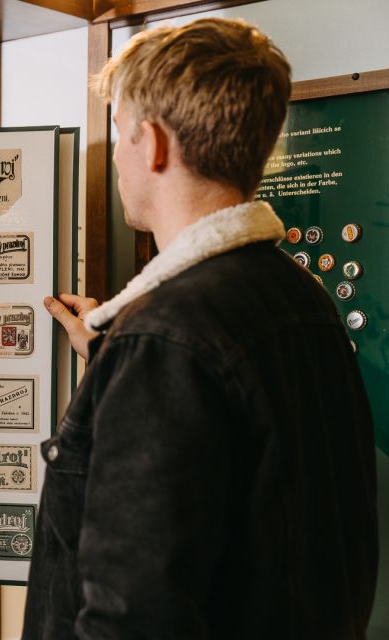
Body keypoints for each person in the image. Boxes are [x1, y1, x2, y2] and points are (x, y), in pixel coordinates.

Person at [24, 18, 377, 639]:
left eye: (119, 135)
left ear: (154, 143)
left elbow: (132, 618)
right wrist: (115, 361)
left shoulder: (164, 342)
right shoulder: (303, 301)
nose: (119, 157)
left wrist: (137, 353)